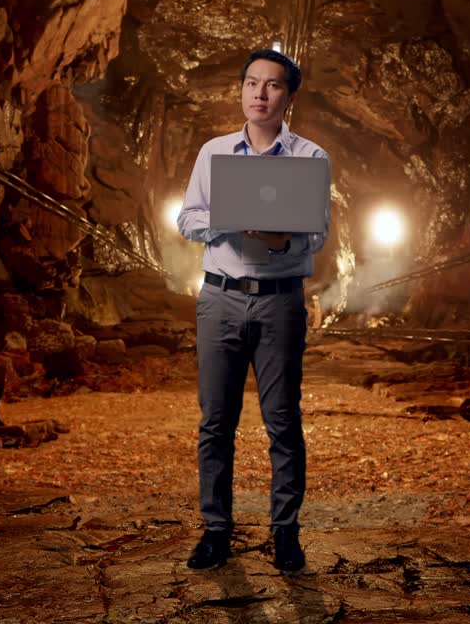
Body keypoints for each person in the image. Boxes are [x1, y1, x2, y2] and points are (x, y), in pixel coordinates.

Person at [176, 49, 329, 572]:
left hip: (280, 301)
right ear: (241, 90)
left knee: (282, 420)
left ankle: (285, 533)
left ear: (289, 96)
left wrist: (281, 237)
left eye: (272, 85)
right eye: (251, 83)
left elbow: (317, 233)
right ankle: (215, 530)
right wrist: (232, 217)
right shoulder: (214, 152)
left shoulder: (310, 157)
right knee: (216, 421)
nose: (260, 93)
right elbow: (187, 218)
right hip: (219, 297)